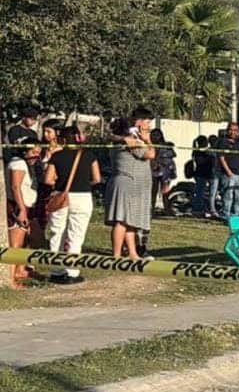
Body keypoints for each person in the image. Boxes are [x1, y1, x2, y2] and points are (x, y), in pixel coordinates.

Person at [44, 126, 101, 284]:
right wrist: (84, 183)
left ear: (62, 139)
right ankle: (72, 272)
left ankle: (56, 271)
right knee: (76, 235)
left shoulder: (56, 156)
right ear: (78, 138)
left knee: (57, 232)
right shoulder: (89, 155)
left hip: (61, 196)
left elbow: (48, 180)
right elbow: (97, 178)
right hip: (82, 196)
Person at [104, 108, 156, 259]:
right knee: (121, 220)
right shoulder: (131, 139)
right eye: (147, 122)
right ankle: (116, 254)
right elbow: (150, 154)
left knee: (130, 221)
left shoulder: (124, 139)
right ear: (138, 123)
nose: (149, 126)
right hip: (127, 183)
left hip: (133, 185)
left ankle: (132, 253)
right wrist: (147, 140)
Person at [5, 138, 42, 287]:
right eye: (33, 152)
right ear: (25, 151)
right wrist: (21, 210)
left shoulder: (27, 164)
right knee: (16, 244)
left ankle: (21, 269)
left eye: (39, 153)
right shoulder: (18, 163)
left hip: (29, 206)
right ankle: (12, 278)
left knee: (31, 238)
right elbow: (15, 187)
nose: (36, 156)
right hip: (18, 206)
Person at [217, 122, 239, 222]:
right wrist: (228, 171)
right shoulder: (223, 142)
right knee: (228, 196)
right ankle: (226, 216)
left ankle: (236, 216)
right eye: (231, 130)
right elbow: (222, 158)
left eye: (236, 130)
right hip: (229, 174)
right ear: (228, 130)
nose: (233, 132)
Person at [150, 128, 176, 214]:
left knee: (165, 191)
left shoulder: (166, 146)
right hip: (154, 170)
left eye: (157, 135)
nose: (155, 137)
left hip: (165, 171)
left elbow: (172, 156)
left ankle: (167, 209)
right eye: (153, 134)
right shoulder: (150, 146)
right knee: (153, 191)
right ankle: (151, 209)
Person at [191, 135, 212, 217]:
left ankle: (205, 206)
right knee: (200, 192)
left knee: (206, 192)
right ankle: (197, 209)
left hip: (208, 174)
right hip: (201, 174)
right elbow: (200, 161)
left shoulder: (207, 151)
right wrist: (209, 157)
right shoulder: (197, 152)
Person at [206, 134, 220, 218]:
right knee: (213, 192)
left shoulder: (218, 150)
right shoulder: (209, 151)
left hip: (220, 173)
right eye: (213, 140)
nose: (214, 142)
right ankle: (212, 209)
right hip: (213, 174)